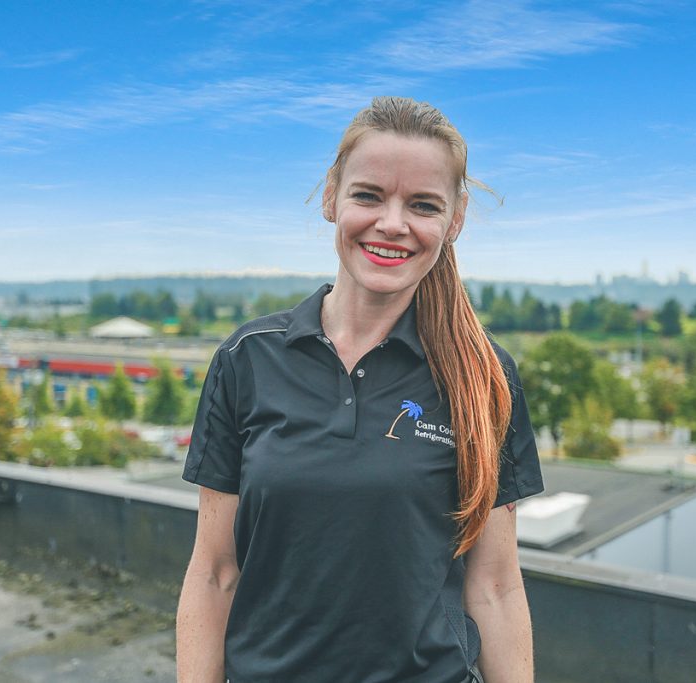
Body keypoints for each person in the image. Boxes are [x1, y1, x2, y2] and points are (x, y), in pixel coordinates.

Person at [176, 96, 544, 683]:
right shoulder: (248, 359)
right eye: (369, 195)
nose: (392, 224)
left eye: (423, 205)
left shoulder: (483, 378)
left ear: (455, 221)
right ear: (332, 196)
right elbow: (215, 572)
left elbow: (496, 587)